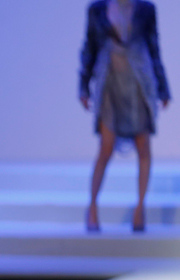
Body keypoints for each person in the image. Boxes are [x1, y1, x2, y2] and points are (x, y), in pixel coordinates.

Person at [79, 0, 170, 233]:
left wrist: (163, 87)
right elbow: (90, 47)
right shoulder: (97, 9)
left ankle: (140, 208)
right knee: (105, 148)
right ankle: (92, 206)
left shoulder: (145, 9)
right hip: (110, 83)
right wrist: (83, 85)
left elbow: (154, 48)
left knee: (143, 146)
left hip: (139, 82)